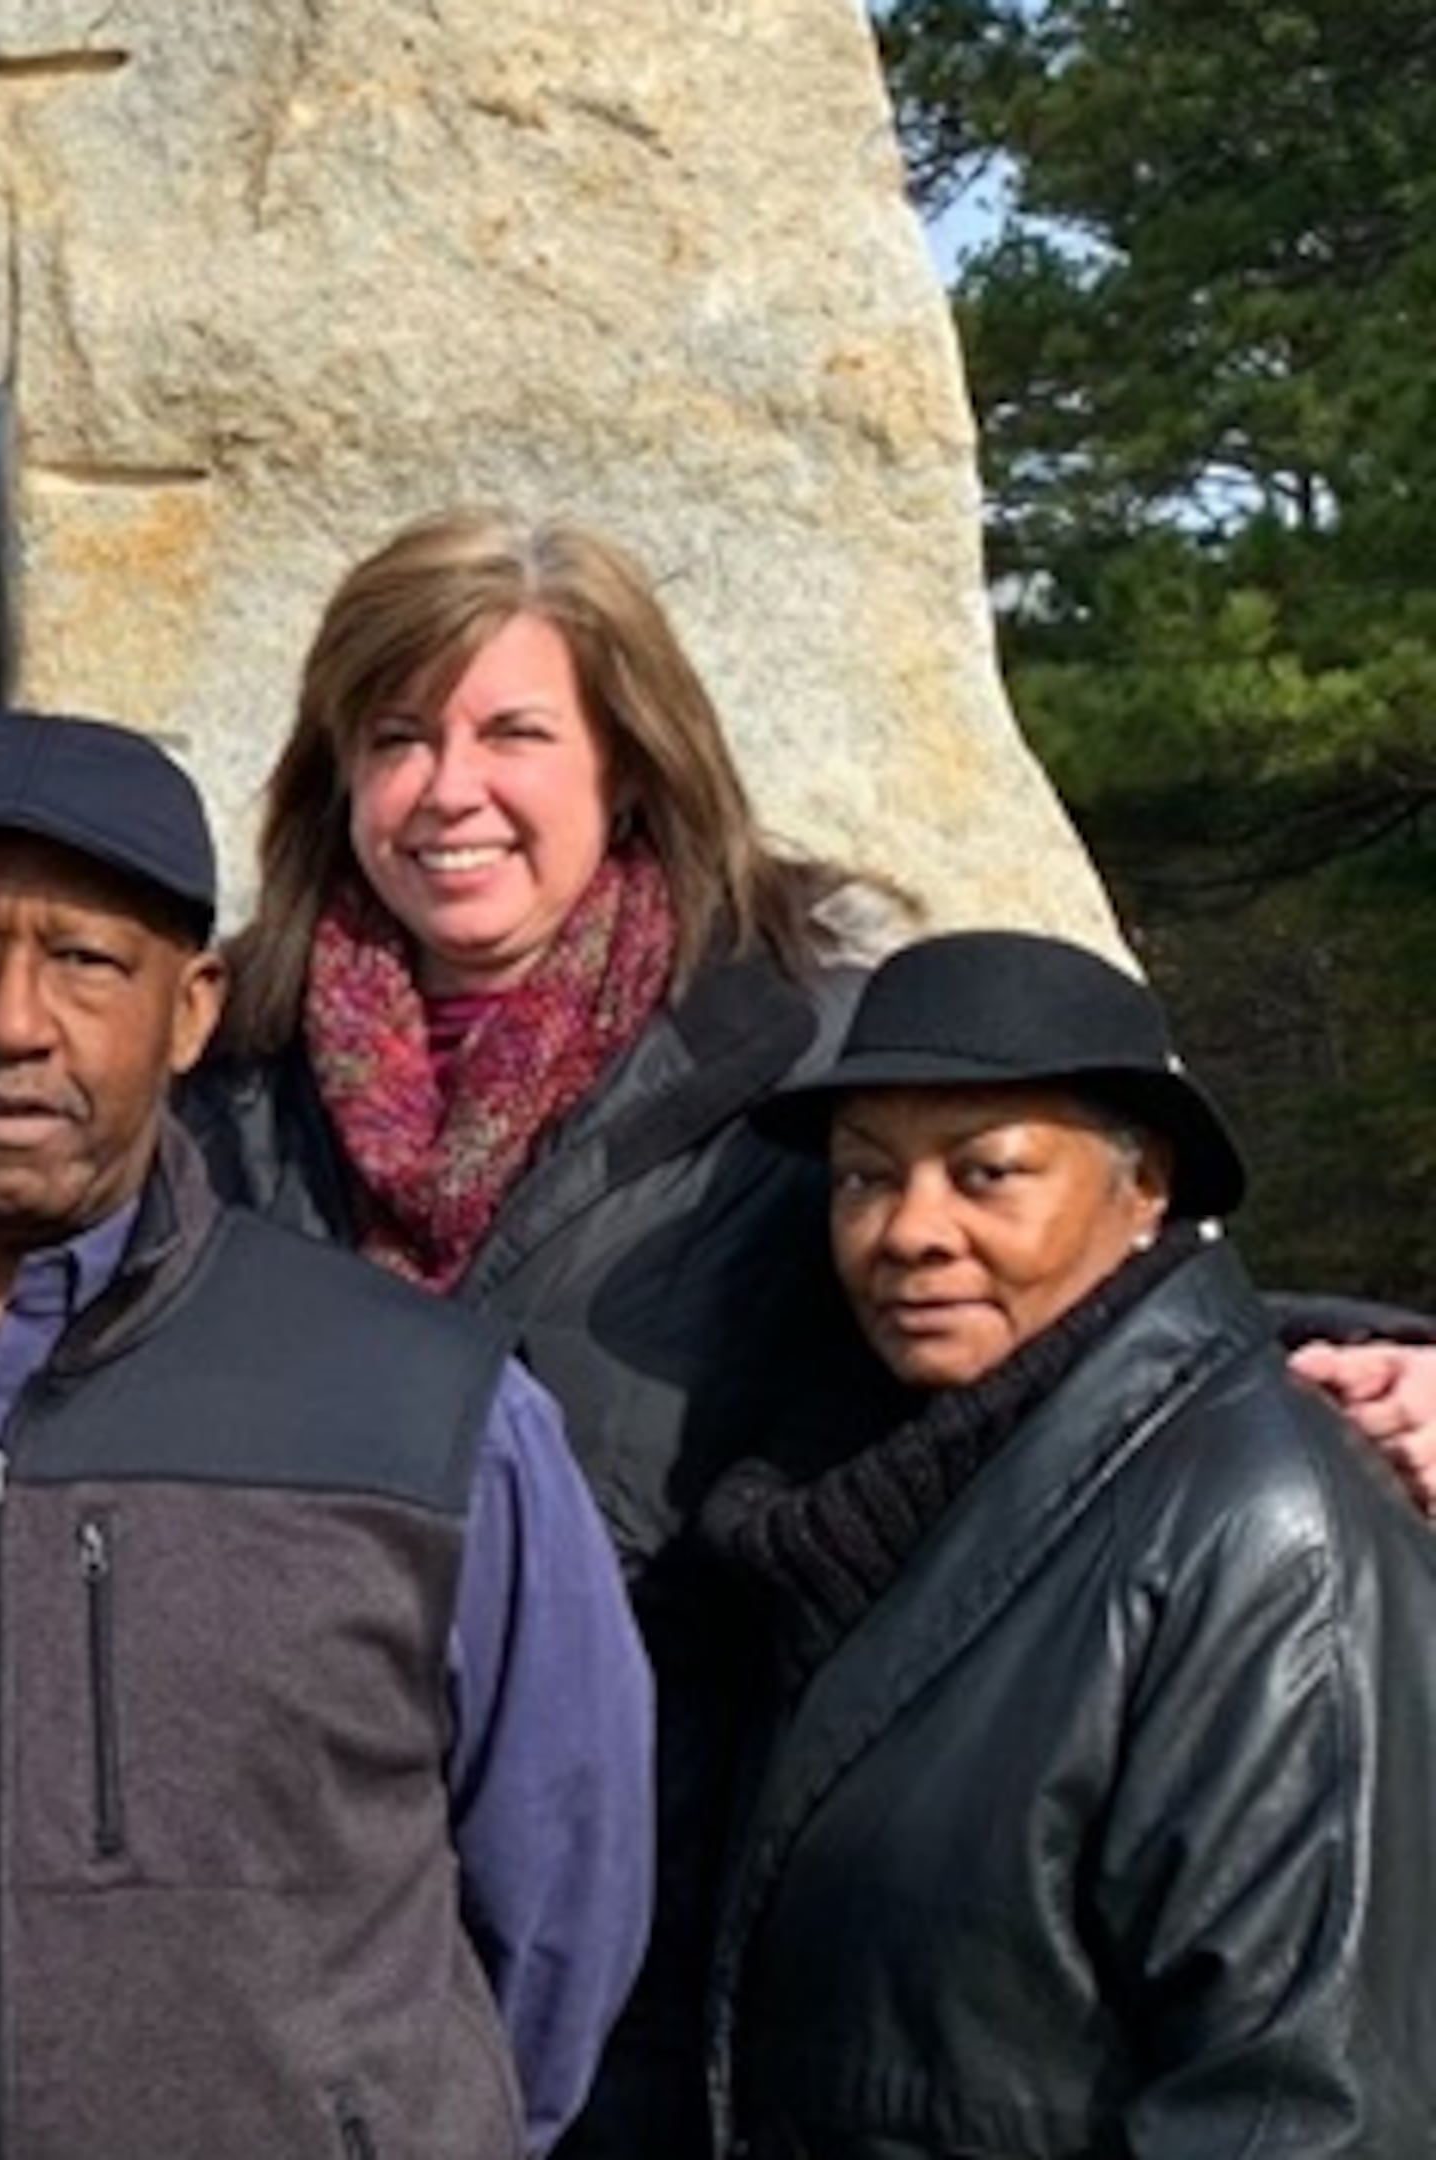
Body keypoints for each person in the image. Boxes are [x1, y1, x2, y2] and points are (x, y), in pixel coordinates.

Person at [183, 504, 1436, 2154]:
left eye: (513, 734)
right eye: (396, 737)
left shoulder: (795, 1058)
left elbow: (1065, 1289)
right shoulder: (213, 1098)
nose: (448, 788)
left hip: (658, 1983)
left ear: (630, 764)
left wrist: (1387, 1359)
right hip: (286, 1970)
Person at [0, 711, 651, 2158]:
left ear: (191, 1010)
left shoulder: (425, 1404)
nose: (12, 1022)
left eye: (87, 961)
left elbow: (565, 1901)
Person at [698, 930, 1436, 2155]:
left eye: (986, 1172)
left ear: (1144, 1187)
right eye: (864, 1177)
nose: (910, 1230)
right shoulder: (851, 1499)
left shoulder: (1261, 1533)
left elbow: (1300, 2107)